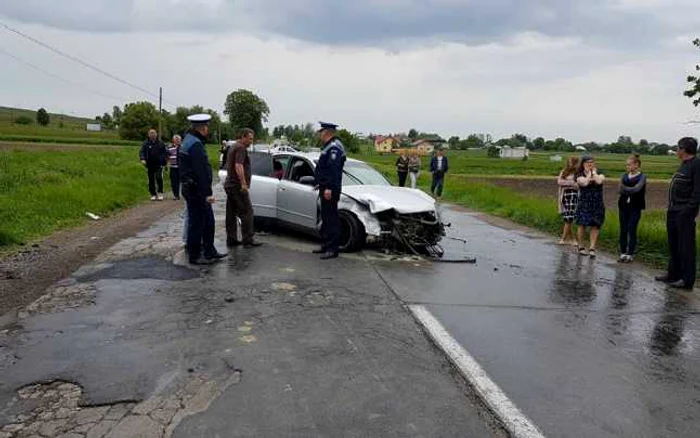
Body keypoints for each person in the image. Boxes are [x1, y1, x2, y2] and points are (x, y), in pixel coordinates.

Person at [179, 114, 227, 265]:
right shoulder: (195, 144)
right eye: (206, 127)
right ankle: (195, 255)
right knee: (197, 223)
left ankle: (209, 250)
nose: (208, 130)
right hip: (196, 191)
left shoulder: (189, 140)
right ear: (202, 128)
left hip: (193, 188)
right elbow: (200, 171)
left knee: (208, 221)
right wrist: (207, 193)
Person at [655, 137, 700, 289]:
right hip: (673, 210)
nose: (676, 151)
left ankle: (687, 280)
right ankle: (673, 274)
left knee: (685, 246)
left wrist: (688, 210)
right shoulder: (684, 164)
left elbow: (697, 191)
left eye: (678, 148)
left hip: (684, 212)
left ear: (684, 150)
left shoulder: (696, 164)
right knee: (674, 244)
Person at [313, 122, 346, 260]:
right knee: (326, 218)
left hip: (330, 190)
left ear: (326, 132)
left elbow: (333, 171)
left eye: (321, 132)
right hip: (325, 187)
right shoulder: (329, 146)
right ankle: (326, 245)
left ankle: (333, 249)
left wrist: (328, 188)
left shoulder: (334, 148)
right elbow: (324, 170)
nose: (319, 134)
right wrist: (320, 184)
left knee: (331, 219)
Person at [225, 128, 262, 248]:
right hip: (237, 186)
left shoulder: (233, 146)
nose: (251, 141)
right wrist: (244, 184)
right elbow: (238, 165)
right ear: (243, 137)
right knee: (247, 211)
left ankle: (231, 239)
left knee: (231, 213)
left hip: (230, 184)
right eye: (250, 138)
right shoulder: (241, 148)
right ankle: (248, 239)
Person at [618, 154, 647, 263]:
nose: (627, 167)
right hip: (623, 205)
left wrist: (626, 189)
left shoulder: (642, 177)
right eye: (626, 165)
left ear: (636, 165)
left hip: (636, 206)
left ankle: (630, 253)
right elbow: (619, 189)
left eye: (629, 165)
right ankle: (622, 252)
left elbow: (637, 189)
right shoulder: (624, 175)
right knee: (623, 229)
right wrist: (628, 189)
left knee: (632, 229)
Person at [575, 156, 605, 258]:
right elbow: (584, 183)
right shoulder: (579, 174)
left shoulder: (599, 172)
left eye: (592, 162)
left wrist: (594, 173)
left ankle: (592, 248)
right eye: (587, 162)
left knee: (595, 225)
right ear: (583, 164)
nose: (590, 164)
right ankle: (581, 246)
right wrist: (588, 174)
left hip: (597, 203)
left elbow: (599, 181)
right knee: (582, 224)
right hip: (584, 203)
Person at [556, 156, 580, 245]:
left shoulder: (578, 172)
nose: (570, 163)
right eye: (569, 161)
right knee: (567, 216)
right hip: (564, 195)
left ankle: (563, 238)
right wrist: (571, 183)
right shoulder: (564, 171)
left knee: (569, 217)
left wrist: (567, 183)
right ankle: (572, 239)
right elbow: (559, 182)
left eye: (572, 162)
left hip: (574, 195)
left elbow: (579, 185)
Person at [139, 129, 167, 201]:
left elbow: (164, 153)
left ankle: (160, 192)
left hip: (158, 164)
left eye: (154, 133)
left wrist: (162, 160)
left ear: (156, 134)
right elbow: (141, 152)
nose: (152, 134)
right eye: (151, 133)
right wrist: (142, 159)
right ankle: (153, 194)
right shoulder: (145, 143)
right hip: (149, 164)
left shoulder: (161, 143)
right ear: (148, 135)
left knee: (159, 178)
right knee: (151, 180)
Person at [167, 135, 182, 200]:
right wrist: (166, 166)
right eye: (176, 139)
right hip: (173, 167)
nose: (177, 141)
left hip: (181, 168)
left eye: (178, 140)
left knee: (180, 181)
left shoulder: (183, 148)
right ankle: (176, 195)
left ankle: (183, 193)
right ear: (173, 140)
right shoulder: (170, 148)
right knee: (173, 182)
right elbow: (167, 157)